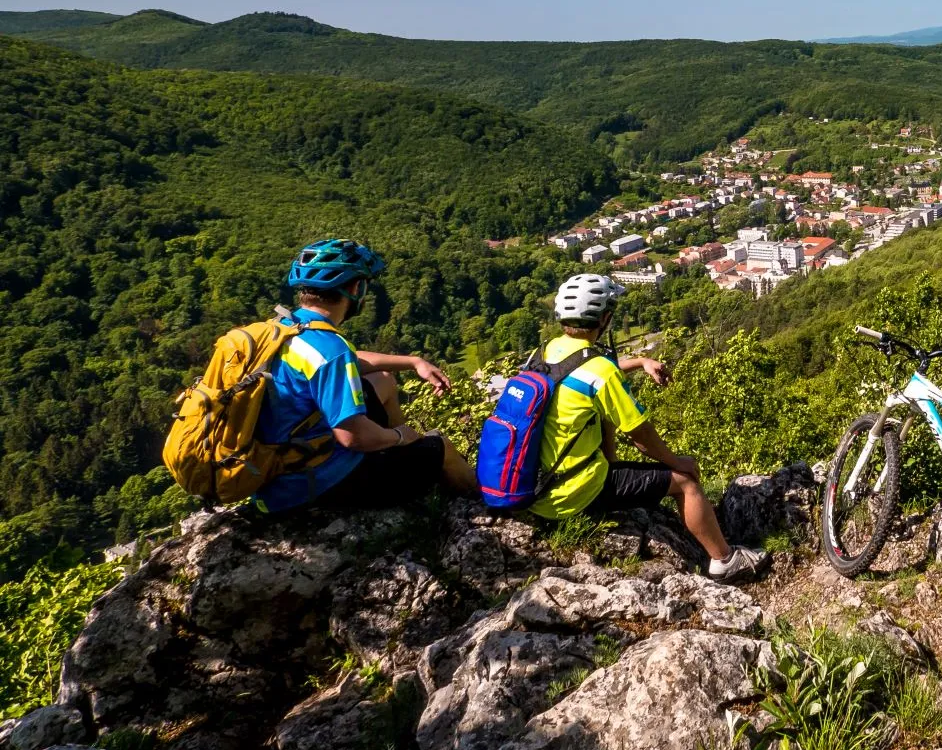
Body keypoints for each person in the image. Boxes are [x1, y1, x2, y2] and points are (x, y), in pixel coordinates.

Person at [529, 273, 766, 581]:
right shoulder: (600, 371)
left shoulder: (545, 353)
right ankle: (725, 560)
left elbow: (579, 371)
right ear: (606, 317)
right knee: (685, 482)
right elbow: (641, 436)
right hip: (573, 493)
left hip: (538, 488)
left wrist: (640, 361)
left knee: (599, 417)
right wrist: (678, 462)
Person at [253, 238, 479, 513]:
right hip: (317, 486)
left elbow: (346, 361)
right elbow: (352, 437)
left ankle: (402, 456)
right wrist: (398, 435)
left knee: (383, 380)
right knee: (442, 448)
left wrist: (413, 362)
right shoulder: (329, 349)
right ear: (356, 288)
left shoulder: (285, 327)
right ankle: (484, 506)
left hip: (278, 469)